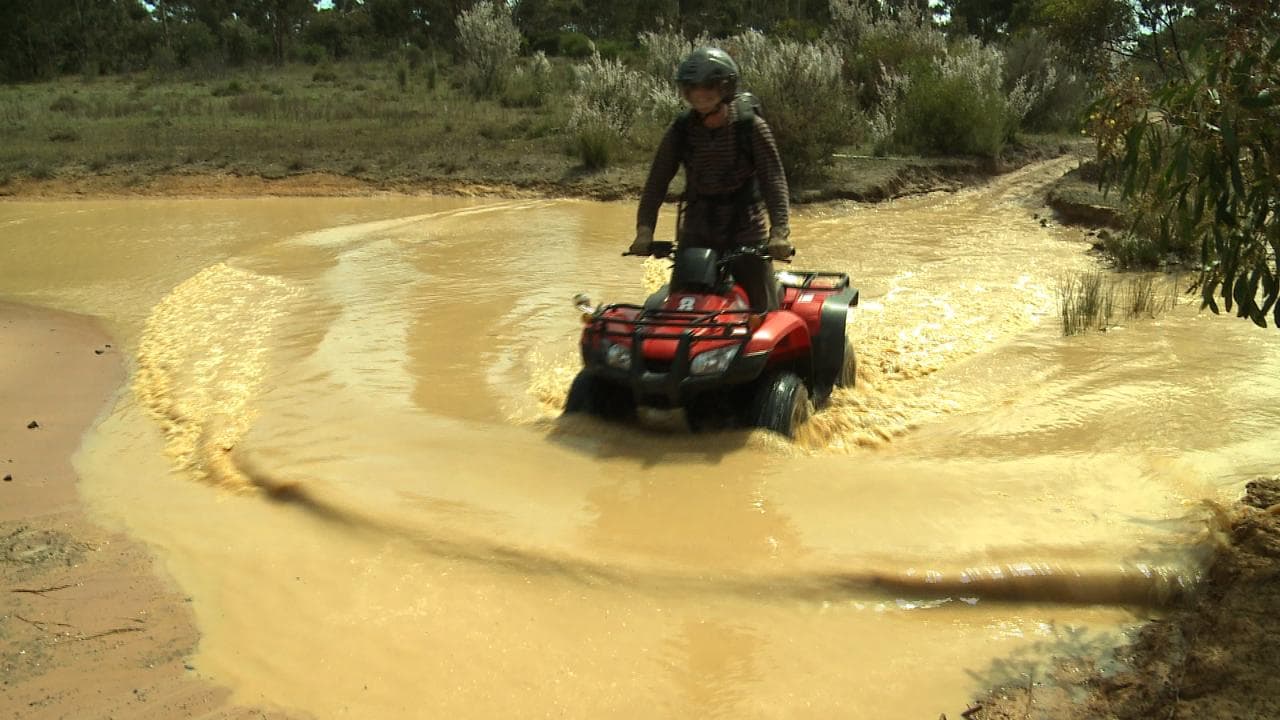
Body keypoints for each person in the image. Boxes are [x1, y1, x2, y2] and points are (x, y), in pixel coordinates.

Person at [628, 46, 792, 311]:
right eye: (693, 88)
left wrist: (779, 233)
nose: (700, 94)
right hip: (697, 228)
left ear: (725, 88)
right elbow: (656, 182)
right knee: (680, 307)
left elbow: (773, 179)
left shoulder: (750, 127)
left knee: (763, 312)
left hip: (745, 231)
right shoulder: (681, 129)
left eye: (709, 86)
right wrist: (644, 230)